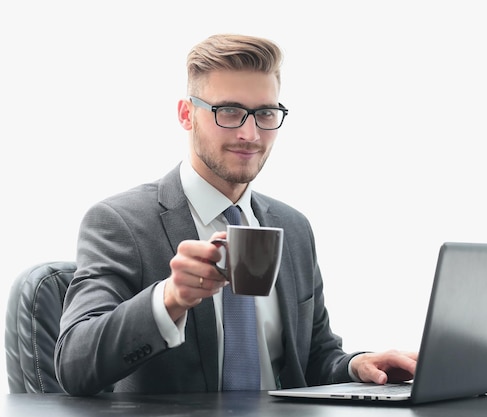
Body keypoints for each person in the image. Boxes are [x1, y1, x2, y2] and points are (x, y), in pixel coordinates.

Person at [54, 33, 417, 395]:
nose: (250, 133)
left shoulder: (293, 228)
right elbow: (74, 364)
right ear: (186, 115)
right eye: (228, 111)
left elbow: (312, 358)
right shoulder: (121, 223)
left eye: (265, 114)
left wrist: (356, 366)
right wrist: (170, 297)